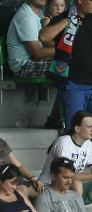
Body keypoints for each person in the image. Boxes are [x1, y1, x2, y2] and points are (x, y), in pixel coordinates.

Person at [40, 0, 92, 135]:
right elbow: (44, 37)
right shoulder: (64, 18)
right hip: (74, 84)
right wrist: (69, 21)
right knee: (75, 132)